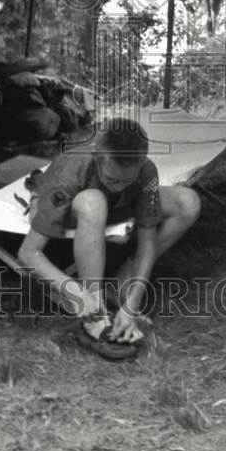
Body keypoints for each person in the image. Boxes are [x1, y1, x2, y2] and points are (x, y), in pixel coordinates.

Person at [17, 117, 201, 360]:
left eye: (127, 180)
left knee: (188, 202)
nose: (119, 185)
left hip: (113, 206)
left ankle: (120, 284)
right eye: (112, 179)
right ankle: (96, 308)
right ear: (99, 157)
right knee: (94, 200)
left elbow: (148, 241)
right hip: (69, 203)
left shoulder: (146, 171)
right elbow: (28, 254)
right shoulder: (72, 169)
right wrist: (75, 292)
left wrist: (132, 304)